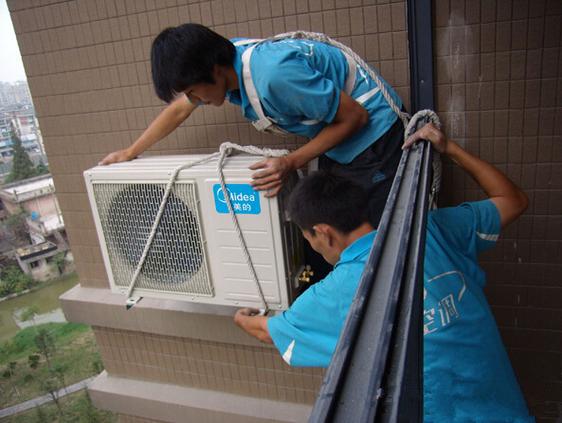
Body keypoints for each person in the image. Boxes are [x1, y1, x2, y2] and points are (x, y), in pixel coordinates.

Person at [234, 123, 533, 422]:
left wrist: (241, 317)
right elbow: (513, 201)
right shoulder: (431, 230)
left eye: (308, 237)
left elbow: (267, 331)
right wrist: (449, 148)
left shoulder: (336, 292)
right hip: (506, 411)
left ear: (323, 232)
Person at [99, 23, 405, 229]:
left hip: (377, 138)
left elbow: (355, 117)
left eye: (193, 92)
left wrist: (290, 162)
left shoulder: (273, 76)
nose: (193, 100)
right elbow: (179, 110)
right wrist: (130, 151)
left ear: (215, 71)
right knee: (324, 222)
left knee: (371, 236)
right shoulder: (227, 60)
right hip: (341, 141)